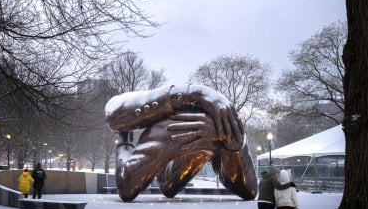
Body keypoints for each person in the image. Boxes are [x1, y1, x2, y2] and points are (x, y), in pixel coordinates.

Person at [105, 84, 258, 202]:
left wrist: (234, 148)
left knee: (166, 186)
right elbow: (112, 114)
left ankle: (131, 145)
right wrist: (192, 92)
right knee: (130, 187)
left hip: (181, 146)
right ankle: (126, 142)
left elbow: (249, 191)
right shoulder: (174, 111)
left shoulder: (223, 123)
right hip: (169, 135)